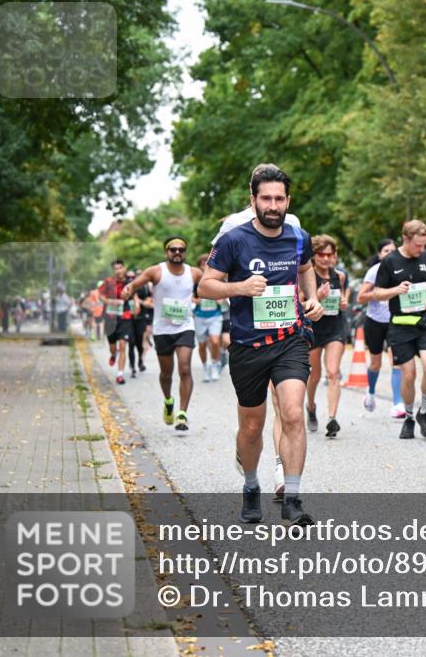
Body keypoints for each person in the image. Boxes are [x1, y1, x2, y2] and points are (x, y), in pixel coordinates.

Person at [199, 163, 324, 525]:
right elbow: (206, 285)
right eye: (266, 198)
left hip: (290, 339)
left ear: (288, 201)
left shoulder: (299, 236)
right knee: (252, 427)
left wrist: (312, 299)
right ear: (253, 200)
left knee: (292, 412)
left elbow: (305, 268)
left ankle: (294, 498)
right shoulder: (233, 239)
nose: (273, 205)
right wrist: (239, 287)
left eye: (279, 199)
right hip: (248, 345)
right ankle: (251, 485)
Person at [371, 220, 426, 439]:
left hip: (425, 324)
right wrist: (395, 290)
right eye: (418, 245)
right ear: (406, 239)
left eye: (424, 245)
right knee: (409, 375)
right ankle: (409, 417)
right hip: (400, 326)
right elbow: (377, 293)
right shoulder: (390, 261)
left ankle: (424, 412)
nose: (421, 250)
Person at [122, 238, 202, 431]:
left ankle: (182, 414)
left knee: (184, 368)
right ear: (166, 252)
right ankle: (168, 401)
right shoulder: (156, 271)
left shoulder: (194, 272)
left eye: (181, 250)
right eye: (173, 249)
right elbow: (136, 283)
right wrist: (129, 289)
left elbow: (210, 284)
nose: (177, 252)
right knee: (166, 373)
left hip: (185, 326)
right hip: (162, 329)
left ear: (185, 252)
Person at [305, 235, 348, 438]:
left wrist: (343, 303)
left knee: (333, 372)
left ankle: (332, 419)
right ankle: (311, 407)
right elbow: (301, 303)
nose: (325, 258)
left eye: (329, 255)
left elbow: (341, 298)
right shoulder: (307, 275)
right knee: (314, 375)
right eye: (321, 254)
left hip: (335, 328)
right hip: (314, 329)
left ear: (335, 256)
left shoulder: (339, 276)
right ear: (314, 256)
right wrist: (317, 298)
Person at [356, 239, 405, 417]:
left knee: (397, 361)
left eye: (393, 251)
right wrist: (379, 294)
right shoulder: (374, 272)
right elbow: (360, 298)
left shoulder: (401, 270)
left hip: (395, 321)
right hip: (375, 322)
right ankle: (370, 392)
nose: (390, 254)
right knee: (376, 363)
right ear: (379, 254)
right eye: (386, 251)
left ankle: (398, 403)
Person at [99, 261, 134, 384]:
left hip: (125, 317)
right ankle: (113, 355)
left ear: (124, 268)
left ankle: (120, 374)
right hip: (110, 317)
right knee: (113, 346)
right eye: (116, 268)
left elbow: (134, 297)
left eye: (120, 268)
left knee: (123, 345)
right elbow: (100, 295)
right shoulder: (108, 282)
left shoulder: (130, 283)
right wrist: (109, 301)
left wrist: (136, 304)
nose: (118, 270)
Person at [193, 253, 224, 383]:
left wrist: (217, 299)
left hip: (215, 316)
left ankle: (215, 365)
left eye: (207, 264)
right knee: (202, 345)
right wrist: (197, 301)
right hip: (199, 316)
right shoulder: (195, 282)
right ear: (199, 266)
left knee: (215, 341)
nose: (205, 266)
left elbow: (222, 299)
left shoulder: (216, 280)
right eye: (202, 264)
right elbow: (189, 297)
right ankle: (206, 368)